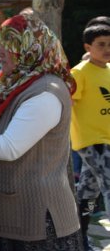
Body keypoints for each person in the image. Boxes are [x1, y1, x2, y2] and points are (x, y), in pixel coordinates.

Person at [0, 12, 82, 250]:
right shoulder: (11, 78)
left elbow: (10, 147)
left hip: (38, 223)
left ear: (29, 48)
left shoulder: (47, 92)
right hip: (9, 216)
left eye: (7, 47)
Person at [70, 17, 110, 250]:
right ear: (88, 48)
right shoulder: (79, 73)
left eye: (109, 44)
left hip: (107, 139)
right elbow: (68, 104)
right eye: (101, 44)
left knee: (88, 191)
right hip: (92, 141)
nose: (106, 49)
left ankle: (78, 237)